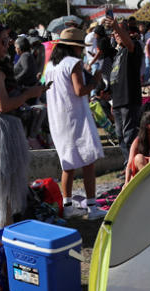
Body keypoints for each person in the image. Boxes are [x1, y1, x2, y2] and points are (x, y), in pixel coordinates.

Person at [0, 22, 45, 230]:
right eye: (3, 41)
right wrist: (28, 95)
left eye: (8, 40)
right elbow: (3, 105)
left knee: (7, 184)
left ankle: (1, 228)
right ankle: (3, 231)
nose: (7, 45)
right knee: (2, 186)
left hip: (7, 126)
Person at [45, 27, 106, 220]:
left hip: (58, 118)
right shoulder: (73, 63)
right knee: (88, 162)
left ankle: (68, 205)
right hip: (75, 117)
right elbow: (80, 90)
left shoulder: (51, 66)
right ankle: (92, 206)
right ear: (75, 47)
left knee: (68, 164)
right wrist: (95, 81)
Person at [106, 16, 144, 159]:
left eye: (119, 32)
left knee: (129, 136)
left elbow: (129, 44)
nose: (117, 35)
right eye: (115, 33)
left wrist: (116, 26)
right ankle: (127, 164)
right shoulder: (117, 54)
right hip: (118, 101)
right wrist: (112, 101)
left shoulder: (134, 46)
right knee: (120, 136)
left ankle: (134, 165)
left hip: (129, 100)